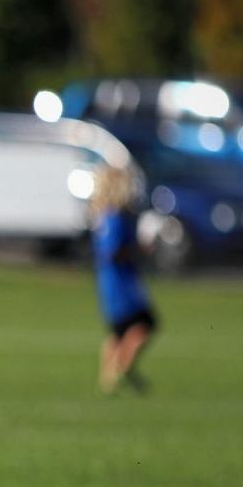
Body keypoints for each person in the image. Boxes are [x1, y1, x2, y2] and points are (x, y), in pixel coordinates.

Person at [89, 163, 157, 394]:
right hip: (121, 281)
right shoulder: (116, 218)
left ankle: (109, 378)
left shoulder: (102, 216)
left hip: (108, 281)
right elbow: (113, 251)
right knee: (145, 323)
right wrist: (140, 250)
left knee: (118, 330)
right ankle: (120, 367)